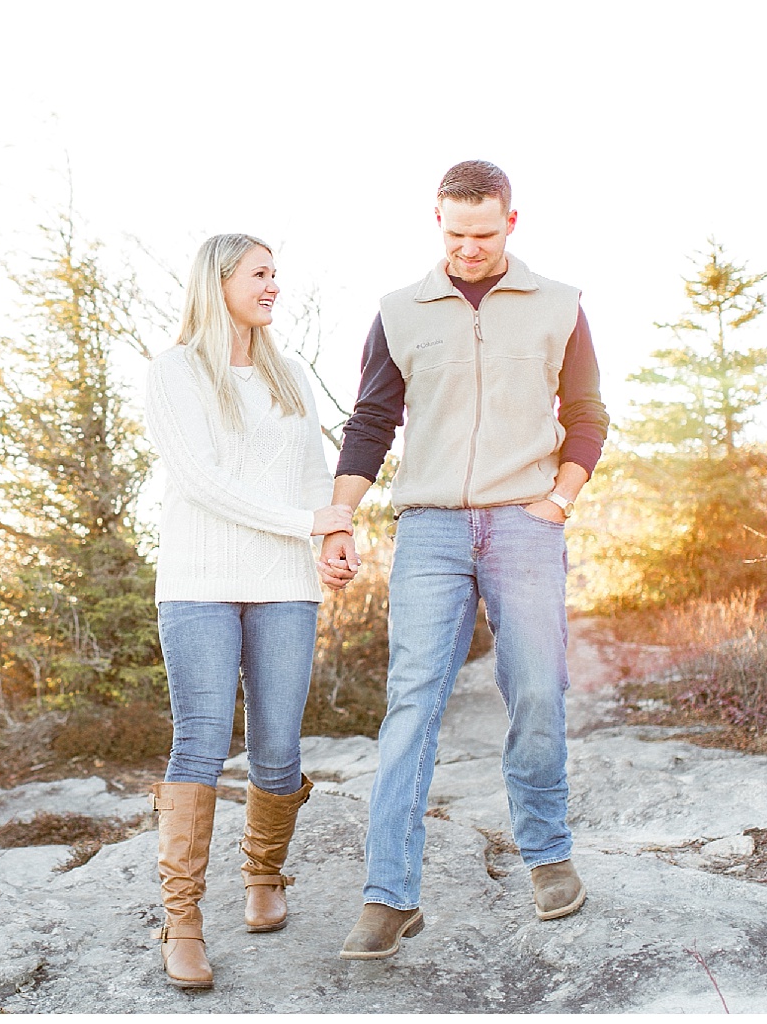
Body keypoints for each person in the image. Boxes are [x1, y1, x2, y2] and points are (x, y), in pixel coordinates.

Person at [319, 160, 610, 959]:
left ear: (512, 222)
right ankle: (389, 894)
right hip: (432, 530)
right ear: (436, 221)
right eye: (455, 234)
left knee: (538, 691)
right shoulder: (400, 312)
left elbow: (586, 415)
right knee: (412, 700)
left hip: (525, 524)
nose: (469, 248)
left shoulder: (560, 305)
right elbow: (371, 420)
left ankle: (548, 856)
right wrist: (338, 516)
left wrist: (559, 499)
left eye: (484, 234)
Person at [141, 233, 355, 990]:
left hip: (283, 582)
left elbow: (311, 475)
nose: (273, 286)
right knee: (199, 741)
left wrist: (332, 534)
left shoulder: (288, 374)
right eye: (261, 274)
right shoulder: (174, 372)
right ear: (221, 280)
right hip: (198, 580)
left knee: (277, 745)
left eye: (276, 274)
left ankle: (264, 875)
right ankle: (185, 919)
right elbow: (201, 482)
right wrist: (308, 525)